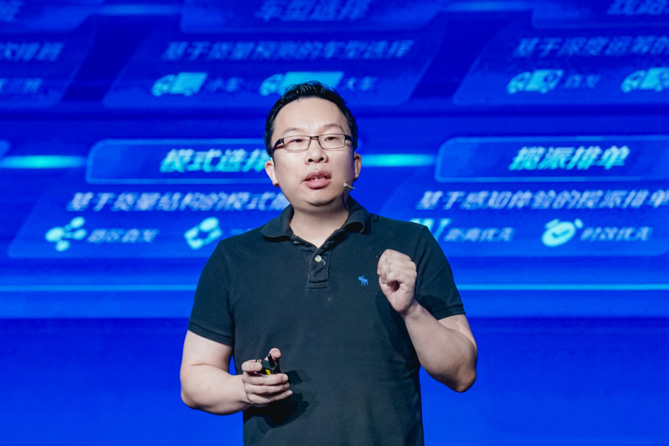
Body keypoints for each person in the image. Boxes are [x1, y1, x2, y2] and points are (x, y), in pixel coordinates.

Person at [180, 81, 477, 445]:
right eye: (295, 141)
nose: (315, 155)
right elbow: (194, 381)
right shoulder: (233, 257)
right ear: (272, 171)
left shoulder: (410, 243)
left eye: (331, 139)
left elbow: (461, 372)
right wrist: (245, 389)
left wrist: (411, 310)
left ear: (355, 164)